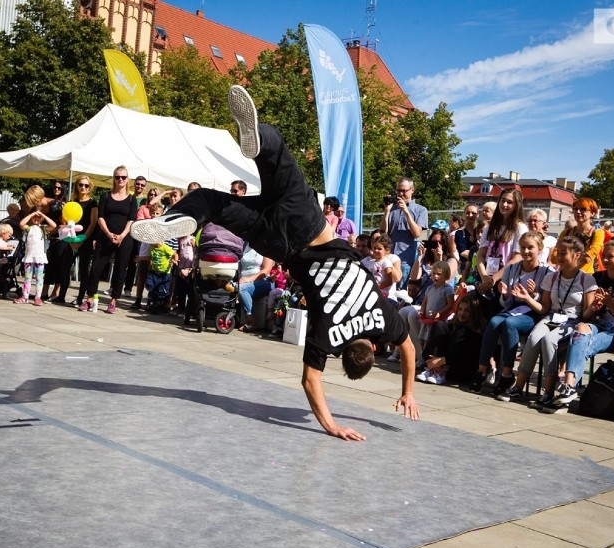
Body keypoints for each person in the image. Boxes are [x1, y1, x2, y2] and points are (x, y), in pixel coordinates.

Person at [130, 85, 419, 440]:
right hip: (278, 244)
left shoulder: (383, 317)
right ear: (344, 353)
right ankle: (177, 219)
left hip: (308, 224)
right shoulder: (327, 335)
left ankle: (260, 142)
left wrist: (408, 391)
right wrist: (331, 425)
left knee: (278, 155)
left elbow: (407, 348)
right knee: (212, 202)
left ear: (374, 346)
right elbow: (310, 381)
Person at [497, 236, 597, 413]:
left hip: (572, 322)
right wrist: (527, 298)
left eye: (564, 253)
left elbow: (587, 315)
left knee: (549, 340)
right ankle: (518, 387)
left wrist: (594, 308)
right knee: (534, 338)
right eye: (558, 252)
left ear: (577, 255)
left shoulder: (586, 281)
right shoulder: (551, 277)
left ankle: (548, 391)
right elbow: (544, 308)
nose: (559, 257)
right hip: (551, 318)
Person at [559, 241, 614, 405]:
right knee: (580, 329)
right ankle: (569, 387)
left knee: (582, 344)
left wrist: (611, 304)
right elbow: (587, 315)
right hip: (598, 322)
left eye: (610, 256)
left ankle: (568, 385)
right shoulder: (597, 277)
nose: (604, 259)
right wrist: (595, 307)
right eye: (604, 255)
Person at [473, 231, 552, 393]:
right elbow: (507, 303)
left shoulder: (547, 272)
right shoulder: (513, 269)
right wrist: (505, 294)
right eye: (523, 248)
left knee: (510, 324)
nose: (526, 251)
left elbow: (545, 305)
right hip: (513, 310)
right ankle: (481, 370)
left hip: (533, 313)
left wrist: (533, 294)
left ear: (540, 249)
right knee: (494, 321)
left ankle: (507, 375)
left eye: (531, 247)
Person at [79, 166, 137, 315]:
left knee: (120, 269)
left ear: (128, 179)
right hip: (105, 235)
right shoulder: (105, 196)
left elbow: (131, 219)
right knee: (96, 267)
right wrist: (108, 233)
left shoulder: (132, 199)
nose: (120, 180)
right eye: (117, 177)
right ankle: (90, 298)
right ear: (114, 179)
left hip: (124, 237)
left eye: (123, 177)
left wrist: (122, 235)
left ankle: (113, 301)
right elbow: (100, 217)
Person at [475, 187, 527, 317]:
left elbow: (516, 258)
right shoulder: (490, 226)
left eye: (509, 202)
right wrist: (484, 277)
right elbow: (481, 255)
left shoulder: (520, 228)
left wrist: (493, 280)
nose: (504, 205)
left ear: (516, 206)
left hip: (503, 281)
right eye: (502, 200)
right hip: (485, 279)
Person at [417, 294, 486, 385]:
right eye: (460, 309)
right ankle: (434, 371)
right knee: (439, 325)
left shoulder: (477, 334)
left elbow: (465, 357)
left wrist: (441, 361)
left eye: (467, 311)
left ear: (473, 313)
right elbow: (426, 350)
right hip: (440, 365)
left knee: (461, 330)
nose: (462, 313)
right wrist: (432, 362)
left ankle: (439, 372)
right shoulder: (450, 327)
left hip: (461, 371)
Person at [380, 177, 428, 285]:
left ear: (412, 190)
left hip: (406, 261)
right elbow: (383, 233)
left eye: (404, 191)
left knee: (401, 295)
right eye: (398, 190)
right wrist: (386, 211)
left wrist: (406, 212)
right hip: (388, 258)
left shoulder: (421, 210)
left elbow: (417, 234)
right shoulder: (391, 208)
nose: (401, 194)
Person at [15, 208, 56, 305]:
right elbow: (21, 224)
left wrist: (43, 214)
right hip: (29, 257)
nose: (36, 218)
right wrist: (32, 214)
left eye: (38, 217)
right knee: (27, 278)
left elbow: (53, 225)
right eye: (34, 217)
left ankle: (38, 297)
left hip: (40, 258)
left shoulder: (43, 228)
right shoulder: (29, 228)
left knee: (39, 278)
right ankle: (25, 296)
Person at [554, 197, 604, 274]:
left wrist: (567, 261)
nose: (578, 212)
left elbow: (590, 255)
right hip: (564, 276)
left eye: (583, 209)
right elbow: (554, 256)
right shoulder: (566, 233)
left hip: (585, 277)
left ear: (592, 213)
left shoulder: (598, 233)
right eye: (575, 209)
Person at [70, 175, 98, 307]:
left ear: (90, 187)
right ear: (76, 186)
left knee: (83, 269)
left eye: (86, 185)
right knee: (65, 266)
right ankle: (60, 295)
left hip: (85, 239)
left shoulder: (92, 203)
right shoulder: (72, 202)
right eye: (80, 184)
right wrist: (71, 240)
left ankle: (81, 298)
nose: (83, 187)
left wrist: (83, 239)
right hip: (71, 237)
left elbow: (93, 223)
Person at [237, 244, 275, 332]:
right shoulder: (244, 245)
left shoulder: (265, 246)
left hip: (263, 281)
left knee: (241, 288)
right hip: (243, 280)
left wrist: (248, 279)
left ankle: (252, 321)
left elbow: (266, 271)